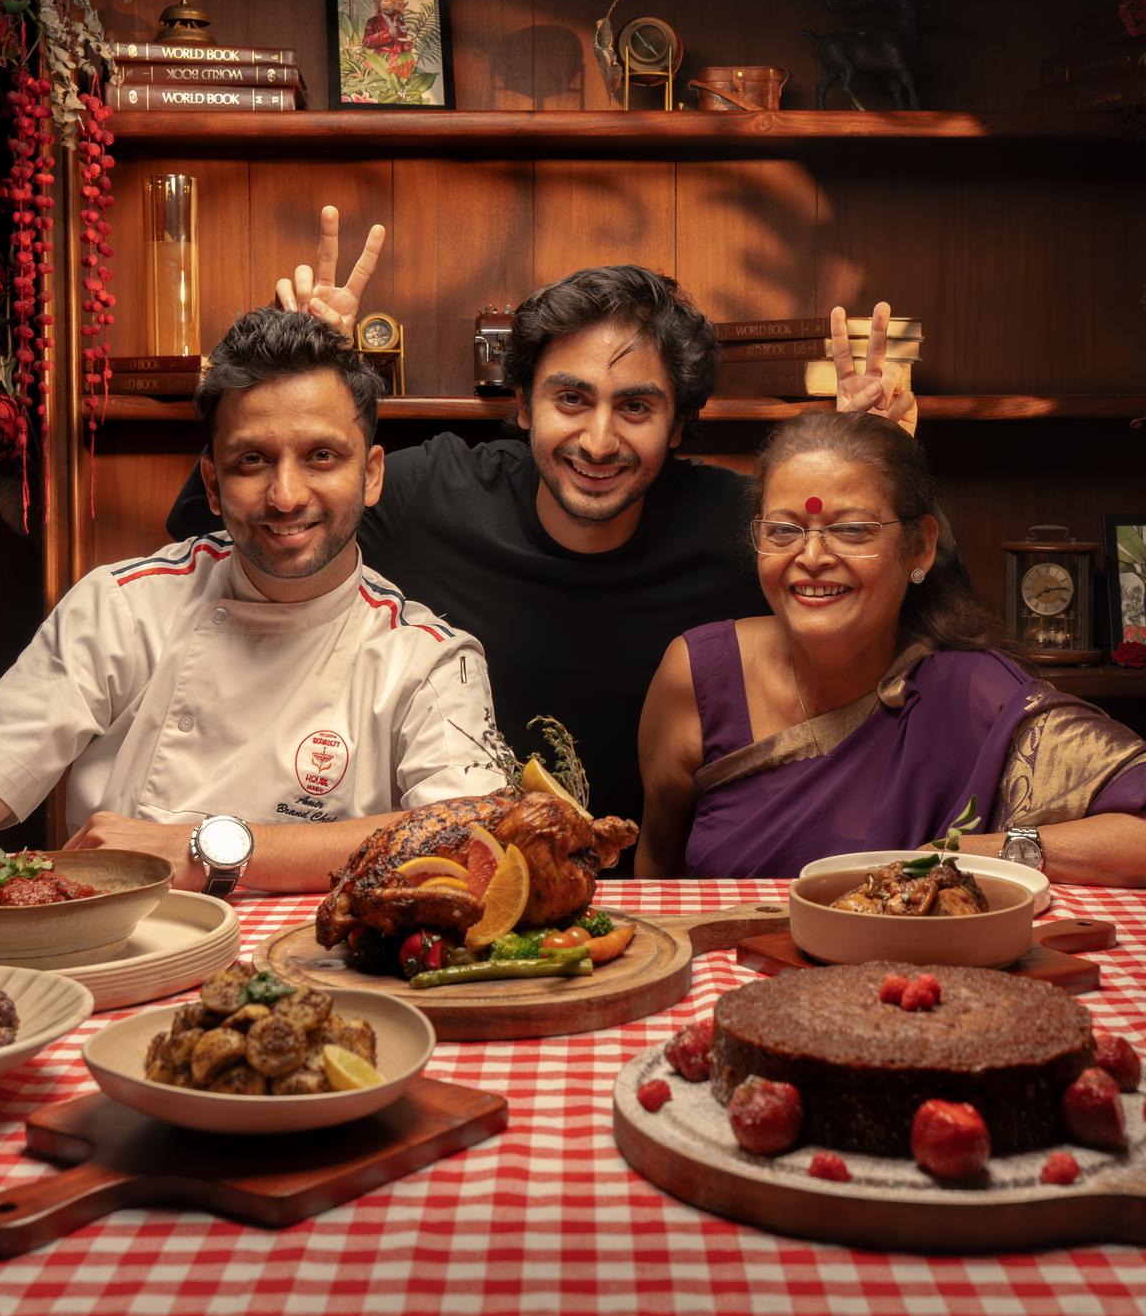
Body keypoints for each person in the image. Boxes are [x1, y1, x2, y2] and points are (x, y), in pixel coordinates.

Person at [167, 209, 921, 858]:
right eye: (570, 399)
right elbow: (210, 530)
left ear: (679, 427)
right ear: (523, 405)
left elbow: (918, 608)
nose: (597, 441)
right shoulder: (436, 489)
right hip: (461, 874)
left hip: (662, 879)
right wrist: (294, 386)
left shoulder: (744, 524)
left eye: (635, 408)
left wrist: (879, 471)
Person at [0, 308, 505, 890]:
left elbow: (470, 835)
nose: (286, 497)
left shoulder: (431, 658)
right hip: (125, 948)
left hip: (323, 966)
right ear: (212, 484)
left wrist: (200, 848)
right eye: (252, 461)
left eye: (321, 456)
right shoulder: (119, 607)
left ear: (370, 475)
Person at [635, 409, 1146, 885]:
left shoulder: (972, 691)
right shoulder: (699, 675)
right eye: (784, 530)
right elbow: (657, 864)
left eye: (853, 530)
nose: (811, 557)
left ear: (920, 546)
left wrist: (972, 855)